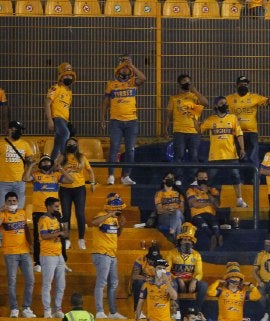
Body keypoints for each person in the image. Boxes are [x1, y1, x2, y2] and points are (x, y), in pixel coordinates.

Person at [101, 55, 146, 186]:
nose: (125, 69)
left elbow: (143, 78)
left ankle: (126, 176)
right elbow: (105, 103)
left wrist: (132, 65)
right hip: (116, 121)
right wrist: (103, 119)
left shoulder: (132, 82)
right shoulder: (111, 84)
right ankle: (111, 175)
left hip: (131, 121)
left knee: (130, 149)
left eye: (127, 67)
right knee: (114, 147)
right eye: (123, 66)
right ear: (118, 68)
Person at [23, 154, 73, 268]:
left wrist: (61, 169)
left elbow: (71, 180)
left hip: (55, 211)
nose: (46, 164)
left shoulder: (56, 175)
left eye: (48, 162)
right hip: (39, 211)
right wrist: (30, 166)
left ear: (51, 164)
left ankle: (63, 262)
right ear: (40, 165)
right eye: (44, 162)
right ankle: (38, 262)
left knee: (61, 236)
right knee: (37, 237)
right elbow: (25, 178)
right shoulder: (36, 175)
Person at [199, 95, 247, 207]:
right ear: (216, 106)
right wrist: (194, 118)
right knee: (210, 179)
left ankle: (239, 199)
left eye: (225, 103)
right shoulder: (211, 120)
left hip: (231, 155)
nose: (224, 105)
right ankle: (205, 199)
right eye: (221, 103)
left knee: (236, 176)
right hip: (215, 156)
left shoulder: (233, 118)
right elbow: (199, 130)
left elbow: (239, 134)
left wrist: (242, 148)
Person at [163, 73, 208, 186]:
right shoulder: (174, 98)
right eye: (184, 81)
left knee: (194, 156)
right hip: (179, 131)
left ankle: (193, 178)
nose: (187, 83)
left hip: (194, 131)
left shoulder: (194, 97)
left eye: (188, 81)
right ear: (179, 84)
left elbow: (206, 103)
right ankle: (178, 178)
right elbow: (169, 115)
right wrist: (165, 129)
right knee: (179, 155)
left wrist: (195, 91)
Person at [92, 193, 127, 320]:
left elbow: (116, 234)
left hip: (112, 254)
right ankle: (100, 311)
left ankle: (112, 312)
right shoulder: (102, 214)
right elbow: (94, 222)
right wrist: (109, 214)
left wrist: (121, 226)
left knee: (113, 283)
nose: (119, 210)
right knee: (102, 283)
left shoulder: (115, 219)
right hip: (102, 253)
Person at [0, 191, 35, 318]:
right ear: (5, 202)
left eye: (14, 201)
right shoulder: (3, 214)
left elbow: (26, 229)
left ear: (17, 202)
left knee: (30, 280)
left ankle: (26, 308)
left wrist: (30, 245)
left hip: (25, 252)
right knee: (12, 282)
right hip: (10, 253)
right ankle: (14, 309)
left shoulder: (22, 213)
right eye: (9, 201)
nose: (12, 203)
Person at [225, 75, 270, 174]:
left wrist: (268, 101)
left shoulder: (254, 97)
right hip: (236, 133)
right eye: (241, 84)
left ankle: (255, 179)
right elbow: (218, 106)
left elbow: (267, 102)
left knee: (253, 157)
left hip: (252, 133)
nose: (243, 86)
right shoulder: (229, 98)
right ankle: (237, 180)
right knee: (236, 157)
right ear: (236, 85)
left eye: (245, 84)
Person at [56, 136, 95, 251]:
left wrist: (92, 182)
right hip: (65, 189)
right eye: (69, 143)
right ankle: (67, 239)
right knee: (66, 215)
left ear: (77, 146)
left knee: (80, 213)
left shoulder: (82, 157)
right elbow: (54, 168)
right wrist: (57, 161)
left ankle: (81, 239)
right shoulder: (62, 157)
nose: (71, 145)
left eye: (73, 143)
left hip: (79, 188)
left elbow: (90, 170)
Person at [166, 222, 208, 311]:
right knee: (172, 284)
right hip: (176, 282)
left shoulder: (196, 255)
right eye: (184, 240)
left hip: (190, 284)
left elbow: (199, 272)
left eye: (189, 240)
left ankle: (197, 311)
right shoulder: (171, 253)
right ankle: (175, 312)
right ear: (180, 241)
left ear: (192, 243)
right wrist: (177, 279)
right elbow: (166, 271)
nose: (187, 242)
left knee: (203, 285)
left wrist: (194, 280)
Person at [38, 197, 69, 319]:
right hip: (47, 255)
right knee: (47, 284)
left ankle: (58, 309)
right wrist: (58, 233)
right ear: (49, 206)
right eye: (56, 206)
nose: (58, 208)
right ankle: (47, 310)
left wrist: (63, 223)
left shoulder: (57, 219)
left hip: (58, 254)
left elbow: (66, 234)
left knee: (61, 284)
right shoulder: (43, 219)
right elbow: (44, 235)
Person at [45, 62, 75, 162]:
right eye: (66, 75)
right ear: (60, 76)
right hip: (57, 118)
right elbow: (47, 103)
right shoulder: (55, 88)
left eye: (70, 75)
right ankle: (64, 161)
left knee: (57, 144)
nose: (68, 77)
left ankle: (51, 167)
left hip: (64, 120)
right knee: (66, 134)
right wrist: (50, 120)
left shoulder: (69, 92)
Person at [186, 169, 222, 251]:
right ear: (196, 178)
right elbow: (195, 204)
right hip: (197, 215)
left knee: (214, 223)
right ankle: (212, 237)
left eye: (205, 178)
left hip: (210, 214)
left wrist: (208, 193)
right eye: (201, 177)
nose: (203, 180)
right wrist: (209, 203)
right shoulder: (191, 189)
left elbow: (217, 205)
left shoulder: (212, 190)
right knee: (203, 224)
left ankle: (218, 237)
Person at [0, 121, 33, 209]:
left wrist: (30, 162)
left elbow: (30, 159)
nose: (20, 132)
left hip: (20, 181)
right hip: (3, 182)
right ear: (10, 130)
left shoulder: (25, 144)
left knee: (19, 209)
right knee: (2, 209)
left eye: (21, 130)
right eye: (18, 129)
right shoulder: (1, 143)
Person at [154, 172, 185, 242]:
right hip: (164, 216)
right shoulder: (159, 193)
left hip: (178, 214)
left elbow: (182, 210)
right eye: (168, 178)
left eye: (172, 178)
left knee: (177, 213)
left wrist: (173, 211)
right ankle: (177, 242)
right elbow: (159, 210)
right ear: (164, 180)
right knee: (178, 222)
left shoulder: (179, 193)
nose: (170, 180)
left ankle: (172, 233)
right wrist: (169, 211)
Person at [131, 242, 161, 310]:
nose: (153, 261)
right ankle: (137, 309)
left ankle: (161, 310)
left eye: (155, 259)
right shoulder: (140, 259)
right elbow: (134, 276)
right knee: (138, 282)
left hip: (156, 281)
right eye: (151, 259)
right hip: (144, 281)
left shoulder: (162, 261)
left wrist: (155, 280)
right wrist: (146, 278)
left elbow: (163, 277)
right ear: (147, 257)